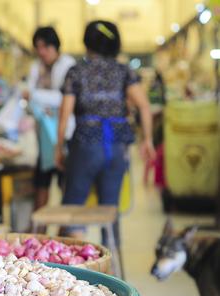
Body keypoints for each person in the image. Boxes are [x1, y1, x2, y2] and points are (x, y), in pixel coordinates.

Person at [55, 20, 156, 240]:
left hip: (85, 148)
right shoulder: (124, 71)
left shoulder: (77, 71)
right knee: (110, 210)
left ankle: (80, 266)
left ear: (87, 42)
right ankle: (111, 265)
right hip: (116, 148)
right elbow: (144, 105)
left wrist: (59, 147)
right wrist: (147, 140)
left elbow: (64, 115)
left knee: (74, 208)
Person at [25, 27, 76, 213]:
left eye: (45, 46)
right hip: (45, 137)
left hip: (65, 136)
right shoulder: (36, 68)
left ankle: (65, 232)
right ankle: (39, 233)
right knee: (41, 183)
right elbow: (31, 100)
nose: (41, 52)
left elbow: (64, 99)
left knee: (65, 186)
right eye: (38, 47)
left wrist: (35, 95)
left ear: (55, 46)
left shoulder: (68, 65)